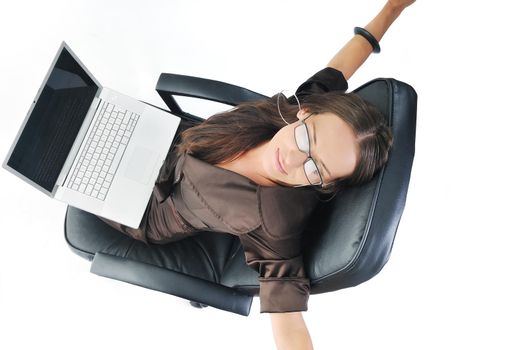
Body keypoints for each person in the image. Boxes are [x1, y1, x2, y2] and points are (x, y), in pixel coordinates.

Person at [97, 0, 416, 349]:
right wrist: (392, 9)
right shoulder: (298, 109)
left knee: (53, 148)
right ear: (306, 113)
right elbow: (340, 67)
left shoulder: (276, 222)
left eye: (316, 169)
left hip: (145, 205)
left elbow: (288, 318)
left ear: (325, 184)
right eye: (307, 137)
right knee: (78, 106)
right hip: (168, 139)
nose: (294, 159)